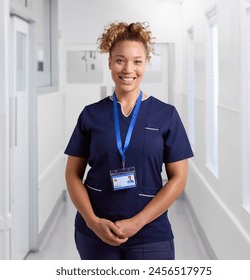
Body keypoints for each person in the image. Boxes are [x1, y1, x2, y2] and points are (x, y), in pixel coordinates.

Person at [64, 21, 193, 260]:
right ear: (110, 63)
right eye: (120, 60)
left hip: (150, 233)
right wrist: (93, 222)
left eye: (137, 61)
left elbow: (179, 178)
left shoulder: (167, 115)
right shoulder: (90, 115)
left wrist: (137, 222)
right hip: (96, 233)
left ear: (146, 63)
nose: (128, 69)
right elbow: (72, 175)